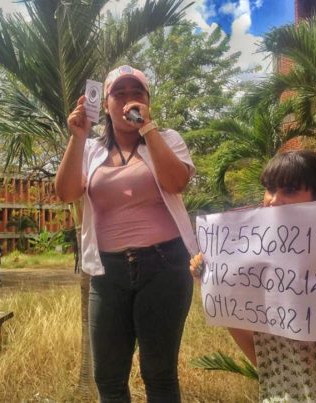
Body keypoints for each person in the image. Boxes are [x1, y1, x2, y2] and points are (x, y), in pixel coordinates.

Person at [190, 150, 316, 402]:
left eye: (289, 190)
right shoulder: (256, 265)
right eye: (270, 189)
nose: (274, 201)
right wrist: (217, 290)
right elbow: (264, 362)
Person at [56, 65, 197, 402]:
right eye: (119, 94)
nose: (129, 100)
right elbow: (66, 192)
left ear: (148, 101)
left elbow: (176, 182)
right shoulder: (90, 149)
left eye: (137, 93)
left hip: (165, 266)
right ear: (106, 105)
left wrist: (148, 129)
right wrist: (77, 136)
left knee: (159, 373)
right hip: (108, 271)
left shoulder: (168, 139)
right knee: (107, 376)